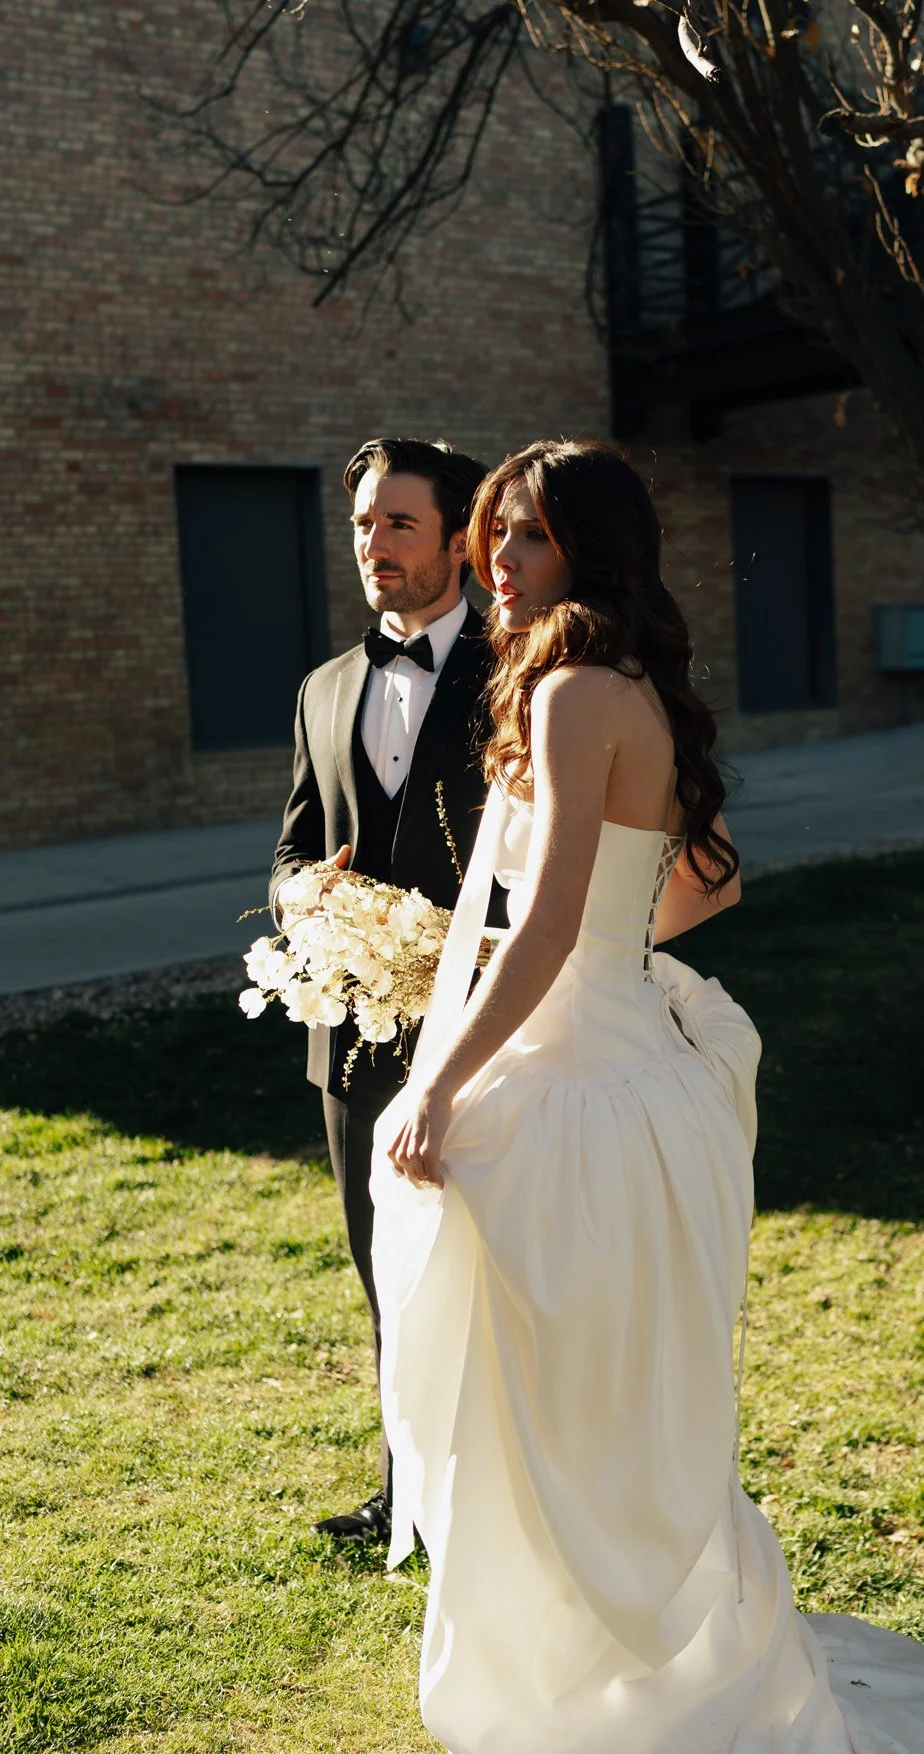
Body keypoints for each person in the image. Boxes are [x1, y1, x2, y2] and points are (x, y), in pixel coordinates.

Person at [368, 440, 924, 1754]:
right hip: (625, 1067)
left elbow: (544, 928)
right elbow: (704, 880)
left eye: (530, 537)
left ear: (591, 548)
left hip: (575, 1091)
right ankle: (595, 1661)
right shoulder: (623, 683)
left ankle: (595, 1690)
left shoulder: (573, 689)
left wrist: (441, 1083)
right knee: (580, 1396)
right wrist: (610, 955)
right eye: (494, 535)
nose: (500, 561)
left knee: (559, 1401)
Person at [270, 435, 492, 1545]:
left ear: (460, 540)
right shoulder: (323, 689)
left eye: (398, 522)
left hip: (494, 1026)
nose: (373, 543)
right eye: (362, 523)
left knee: (496, 1268)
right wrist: (306, 898)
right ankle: (408, 1494)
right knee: (385, 1266)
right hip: (356, 1037)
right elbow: (289, 853)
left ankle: (501, 1498)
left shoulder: (526, 672)